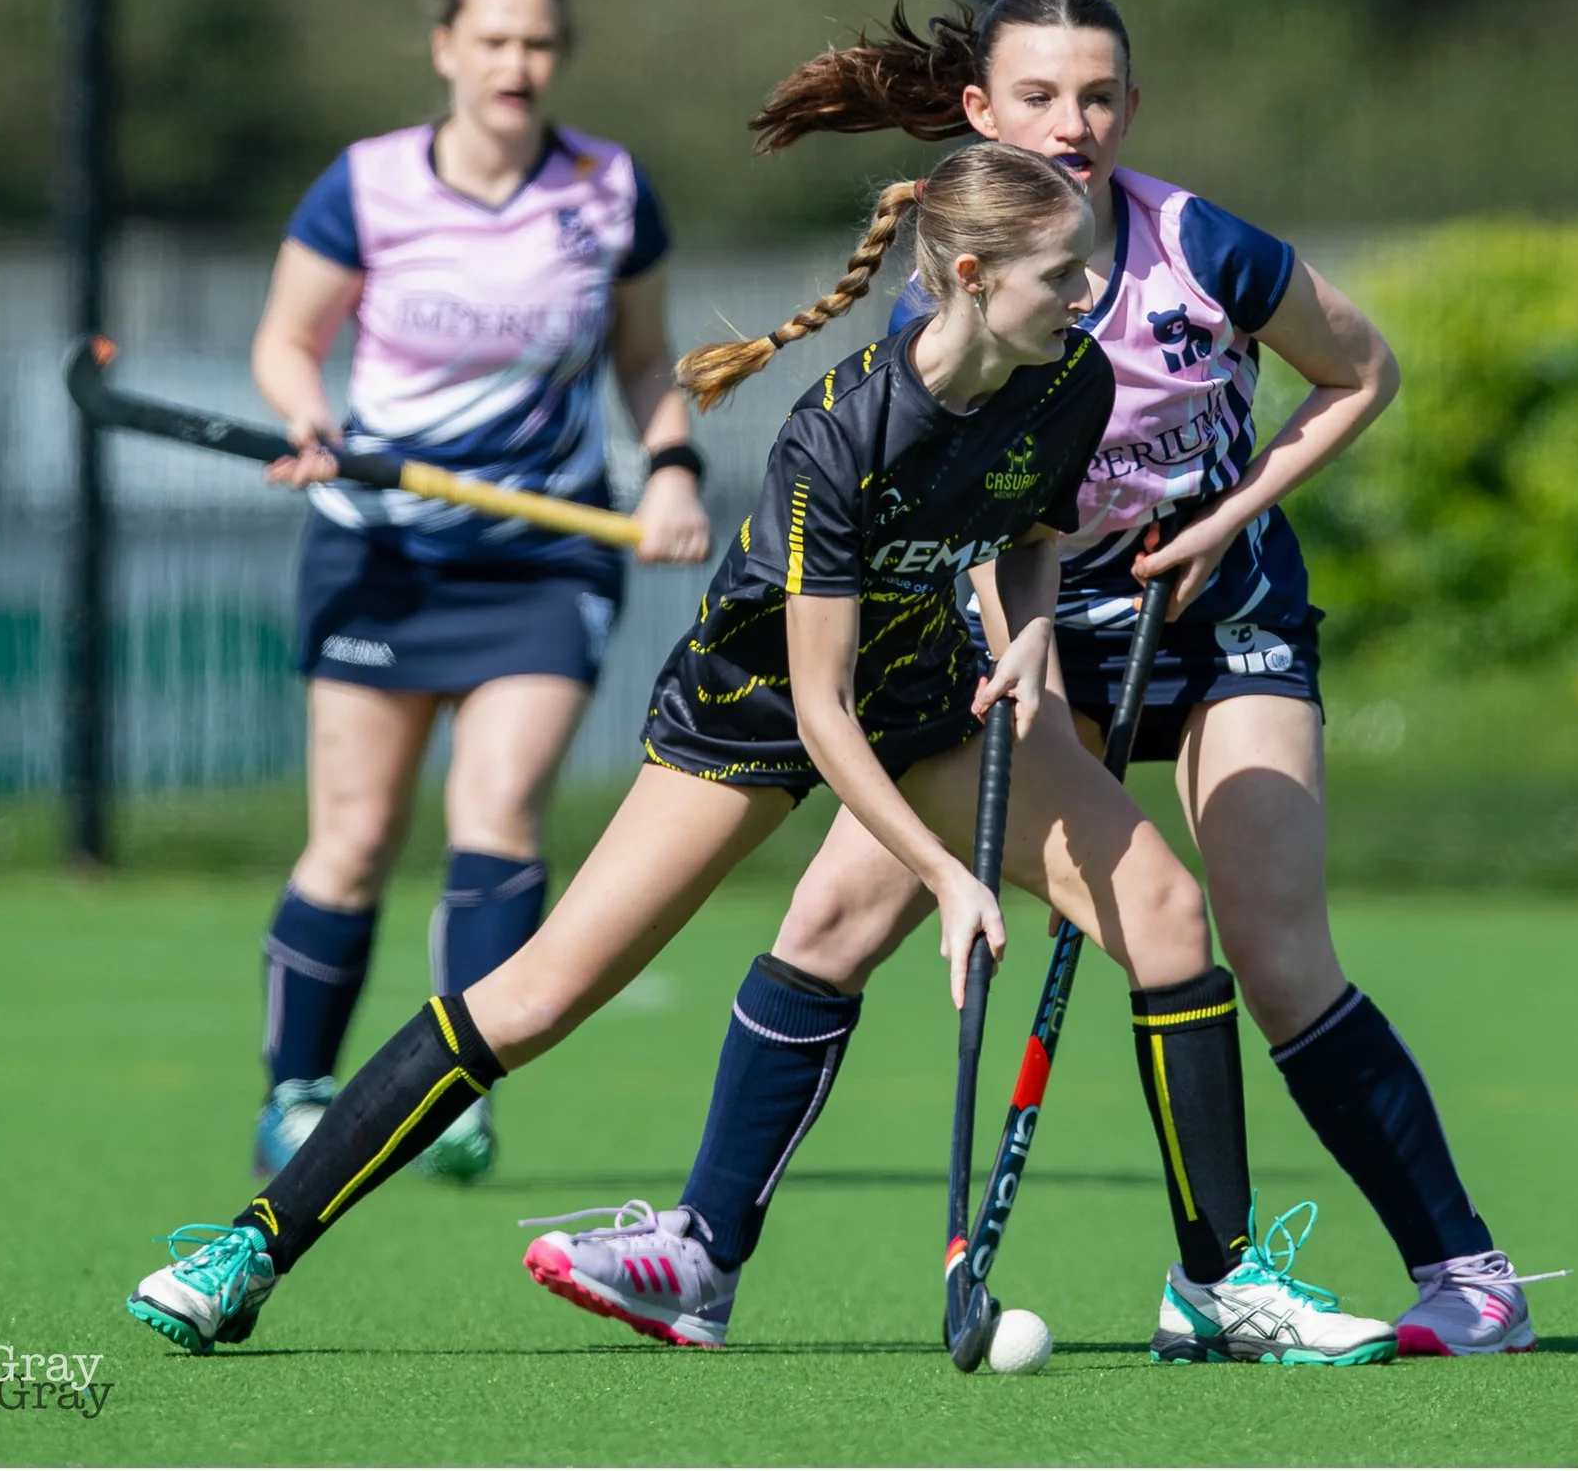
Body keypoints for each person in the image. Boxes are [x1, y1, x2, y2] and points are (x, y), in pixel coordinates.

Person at [127, 141, 1395, 1368]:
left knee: (1169, 917)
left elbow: (1031, 530)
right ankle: (249, 1245)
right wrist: (949, 878)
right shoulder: (839, 433)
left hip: (931, 687)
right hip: (752, 711)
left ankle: (1220, 1282)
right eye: (1061, 275)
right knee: (538, 993)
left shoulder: (1070, 377)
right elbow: (820, 710)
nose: (1088, 295)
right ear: (968, 276)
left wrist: (1031, 630)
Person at [524, 0, 1552, 1359]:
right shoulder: (962, 282)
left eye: (1099, 96)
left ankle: (1463, 1273)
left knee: (1272, 941)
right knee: (832, 920)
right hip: (1033, 632)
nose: (1073, 125)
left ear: (1131, 103)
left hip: (1221, 620)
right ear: (979, 110)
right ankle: (698, 1255)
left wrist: (1230, 513)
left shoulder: (1207, 249)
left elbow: (1359, 373)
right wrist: (1017, 637)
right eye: (1039, 97)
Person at [241, 0, 712, 1185]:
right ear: (446, 47)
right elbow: (289, 343)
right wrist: (308, 420)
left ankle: (456, 1091)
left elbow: (647, 359)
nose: (517, 64)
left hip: (544, 554)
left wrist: (671, 467)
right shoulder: (368, 185)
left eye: (539, 43)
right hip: (378, 548)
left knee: (495, 812)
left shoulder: (608, 191)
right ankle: (298, 1090)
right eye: (494, 40)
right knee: (350, 836)